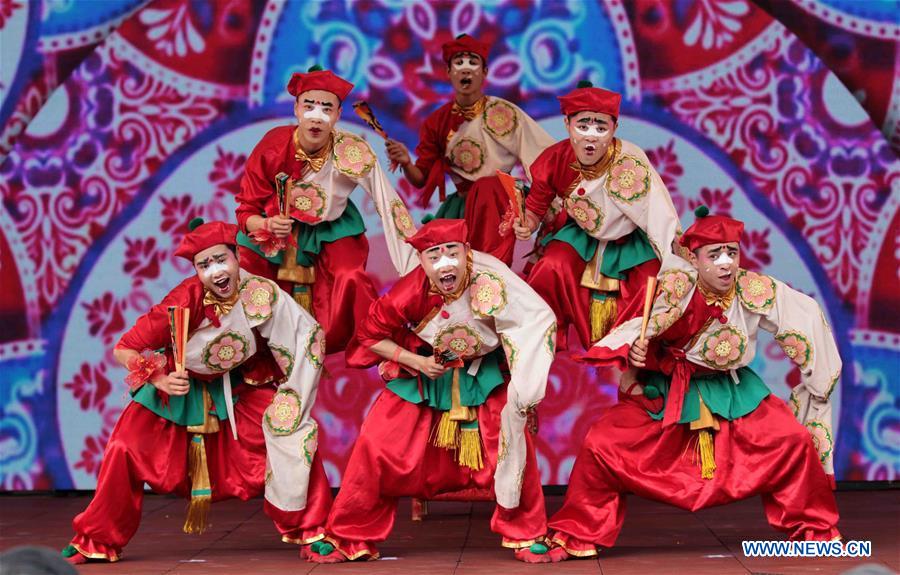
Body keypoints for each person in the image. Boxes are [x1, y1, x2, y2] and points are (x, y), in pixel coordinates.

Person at [544, 207, 841, 560]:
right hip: (671, 391)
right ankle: (579, 531)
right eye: (714, 255)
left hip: (732, 391)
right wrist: (637, 349)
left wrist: (818, 382)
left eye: (732, 252)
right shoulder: (673, 288)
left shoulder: (754, 289)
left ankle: (813, 528)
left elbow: (804, 317)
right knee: (601, 444)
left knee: (793, 440)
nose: (726, 263)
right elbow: (635, 327)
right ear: (695, 259)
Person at [63, 219, 331, 563]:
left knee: (291, 433)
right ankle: (96, 539)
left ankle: (313, 529)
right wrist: (158, 379)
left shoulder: (259, 292)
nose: (216, 271)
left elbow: (303, 336)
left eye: (222, 260)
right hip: (178, 388)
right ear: (196, 271)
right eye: (205, 265)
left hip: (234, 388)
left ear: (237, 258)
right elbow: (124, 349)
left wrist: (292, 396)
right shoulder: (182, 299)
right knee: (123, 449)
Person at [307, 218, 558, 563]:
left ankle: (526, 532)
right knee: (375, 445)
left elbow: (535, 322)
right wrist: (417, 361)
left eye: (452, 252)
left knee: (512, 443)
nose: (445, 263)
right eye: (433, 256)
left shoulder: (494, 280)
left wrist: (525, 387)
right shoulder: (410, 291)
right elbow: (369, 336)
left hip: (482, 375)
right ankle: (350, 533)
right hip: (425, 373)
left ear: (468, 252)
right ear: (422, 262)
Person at [236, 66, 419, 359]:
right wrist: (268, 223)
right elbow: (247, 211)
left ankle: (368, 343)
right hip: (278, 228)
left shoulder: (353, 151)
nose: (316, 116)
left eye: (326, 108)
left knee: (350, 277)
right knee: (247, 273)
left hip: (333, 228)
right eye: (308, 106)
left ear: (337, 114)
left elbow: (389, 205)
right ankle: (253, 355)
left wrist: (415, 267)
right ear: (296, 109)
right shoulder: (272, 146)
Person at [513, 81, 684, 351]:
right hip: (581, 235)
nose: (591, 137)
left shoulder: (631, 160)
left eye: (601, 128)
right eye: (583, 126)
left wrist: (676, 259)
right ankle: (543, 344)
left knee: (652, 280)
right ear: (567, 124)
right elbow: (536, 206)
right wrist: (528, 224)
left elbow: (659, 215)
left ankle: (632, 353)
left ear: (614, 129)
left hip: (630, 240)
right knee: (551, 267)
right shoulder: (553, 160)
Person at [385, 34, 555, 266]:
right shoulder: (438, 121)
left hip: (500, 200)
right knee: (442, 271)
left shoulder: (505, 112)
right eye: (459, 63)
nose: (466, 69)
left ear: (484, 72)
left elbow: (543, 157)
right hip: (463, 203)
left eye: (473, 62)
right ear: (449, 72)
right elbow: (420, 179)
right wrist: (406, 162)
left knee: (487, 265)